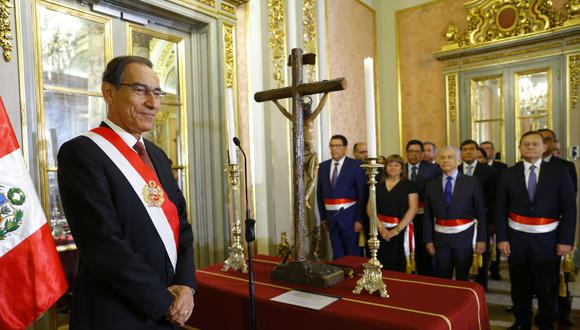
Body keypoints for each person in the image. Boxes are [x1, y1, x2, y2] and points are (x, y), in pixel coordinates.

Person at [57, 56, 196, 329]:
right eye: (140, 90)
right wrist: (162, 301)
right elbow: (103, 244)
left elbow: (182, 225)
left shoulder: (156, 155)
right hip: (115, 313)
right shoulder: (82, 153)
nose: (153, 103)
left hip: (169, 309)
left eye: (157, 93)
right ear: (109, 92)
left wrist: (186, 285)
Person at [496, 131, 576, 330]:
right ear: (520, 148)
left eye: (535, 144)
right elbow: (499, 208)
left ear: (544, 147)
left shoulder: (559, 172)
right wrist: (502, 238)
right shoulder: (508, 173)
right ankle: (522, 321)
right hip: (516, 238)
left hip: (548, 239)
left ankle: (546, 322)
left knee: (547, 285)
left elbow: (569, 209)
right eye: (526, 144)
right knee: (519, 284)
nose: (530, 147)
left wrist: (565, 240)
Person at [423, 146, 487, 281]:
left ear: (459, 161)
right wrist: (428, 240)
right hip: (440, 238)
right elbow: (428, 216)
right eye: (442, 157)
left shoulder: (472, 183)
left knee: (463, 276)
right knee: (442, 275)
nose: (445, 160)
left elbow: (481, 212)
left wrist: (481, 239)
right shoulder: (431, 185)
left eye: (450, 157)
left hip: (465, 236)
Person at [537, 128, 578, 326]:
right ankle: (543, 311)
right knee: (538, 276)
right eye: (539, 139)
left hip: (557, 229)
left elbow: (570, 202)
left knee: (560, 275)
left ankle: (563, 311)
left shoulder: (565, 166)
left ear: (553, 143)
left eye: (547, 139)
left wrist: (565, 237)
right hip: (532, 232)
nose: (543, 143)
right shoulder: (523, 166)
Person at [317, 135, 367, 259]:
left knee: (352, 253)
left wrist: (359, 219)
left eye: (337, 146)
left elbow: (362, 194)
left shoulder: (355, 165)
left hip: (350, 218)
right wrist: (323, 218)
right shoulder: (323, 166)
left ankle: (354, 277)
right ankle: (340, 277)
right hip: (331, 218)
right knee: (337, 251)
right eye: (332, 146)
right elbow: (320, 194)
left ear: (345, 148)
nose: (334, 149)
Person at [458, 139, 495, 290]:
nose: (468, 152)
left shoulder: (488, 170)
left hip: (482, 219)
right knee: (462, 258)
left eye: (471, 149)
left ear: (477, 152)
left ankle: (481, 288)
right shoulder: (455, 169)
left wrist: (492, 223)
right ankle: (463, 288)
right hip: (459, 223)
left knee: (482, 257)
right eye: (464, 149)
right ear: (461, 152)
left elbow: (493, 198)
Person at [374, 154, 418, 272]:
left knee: (398, 264)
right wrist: (381, 228)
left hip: (400, 230)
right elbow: (370, 208)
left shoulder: (409, 185)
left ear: (402, 169)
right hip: (379, 230)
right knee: (380, 263)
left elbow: (413, 209)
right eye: (389, 164)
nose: (392, 167)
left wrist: (396, 230)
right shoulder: (377, 184)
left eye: (396, 165)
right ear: (385, 167)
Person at [405, 140, 441, 275]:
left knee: (424, 248)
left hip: (424, 215)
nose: (414, 154)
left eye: (417, 151)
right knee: (407, 247)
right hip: (404, 216)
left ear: (422, 153)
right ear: (406, 153)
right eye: (411, 151)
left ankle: (426, 276)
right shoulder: (400, 168)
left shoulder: (434, 169)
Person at [480, 140, 508, 281]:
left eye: (488, 148)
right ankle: (480, 269)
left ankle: (495, 268)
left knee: (496, 242)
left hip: (495, 209)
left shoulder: (502, 167)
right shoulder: (477, 169)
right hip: (480, 212)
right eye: (482, 148)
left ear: (493, 150)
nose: (485, 150)